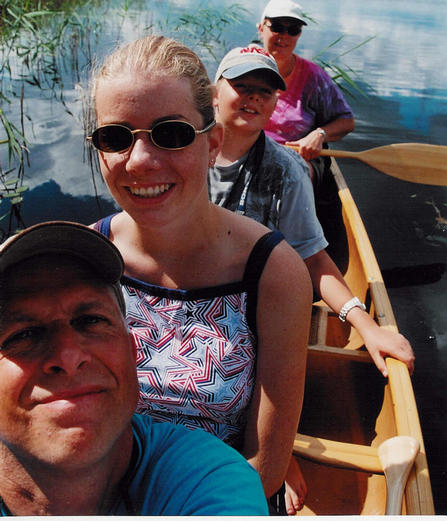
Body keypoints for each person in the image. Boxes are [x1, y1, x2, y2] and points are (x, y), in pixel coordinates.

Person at [86, 35, 313, 503]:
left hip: (217, 498)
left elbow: (264, 467)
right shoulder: (86, 257)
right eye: (115, 137)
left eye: (171, 134)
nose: (141, 161)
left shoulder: (272, 272)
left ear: (212, 144)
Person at [210, 45, 415, 514]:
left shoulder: (285, 171)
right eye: (242, 87)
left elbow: (315, 262)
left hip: (256, 315)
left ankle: (276, 451)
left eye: (265, 92)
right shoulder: (182, 153)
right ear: (215, 91)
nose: (253, 98)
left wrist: (366, 325)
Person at [0, 220, 270, 516]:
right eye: (23, 335)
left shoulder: (208, 478)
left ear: (133, 353)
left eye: (91, 320)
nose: (68, 356)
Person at [257, 0, 355, 186]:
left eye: (293, 30)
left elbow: (347, 122)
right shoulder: (243, 69)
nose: (284, 36)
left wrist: (319, 134)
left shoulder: (313, 76)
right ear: (261, 28)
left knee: (284, 177)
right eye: (277, 27)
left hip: (298, 157)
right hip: (248, 152)